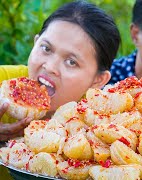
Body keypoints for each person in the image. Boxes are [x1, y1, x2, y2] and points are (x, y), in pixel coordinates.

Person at [0, 1, 120, 178]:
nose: (50, 67)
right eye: (46, 48)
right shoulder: (3, 81)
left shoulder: (102, 125)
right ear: (35, 43)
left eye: (71, 62)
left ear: (98, 80)